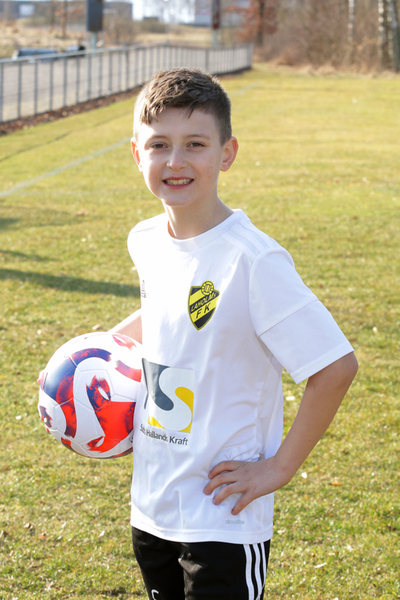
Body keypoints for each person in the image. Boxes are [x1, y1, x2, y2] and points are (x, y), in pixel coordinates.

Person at [110, 68, 358, 600]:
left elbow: (335, 366)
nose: (175, 161)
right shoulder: (146, 240)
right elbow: (161, 313)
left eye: (195, 144)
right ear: (136, 153)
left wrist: (279, 469)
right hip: (153, 503)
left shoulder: (253, 260)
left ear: (227, 153)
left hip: (222, 516)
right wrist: (85, 356)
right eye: (159, 145)